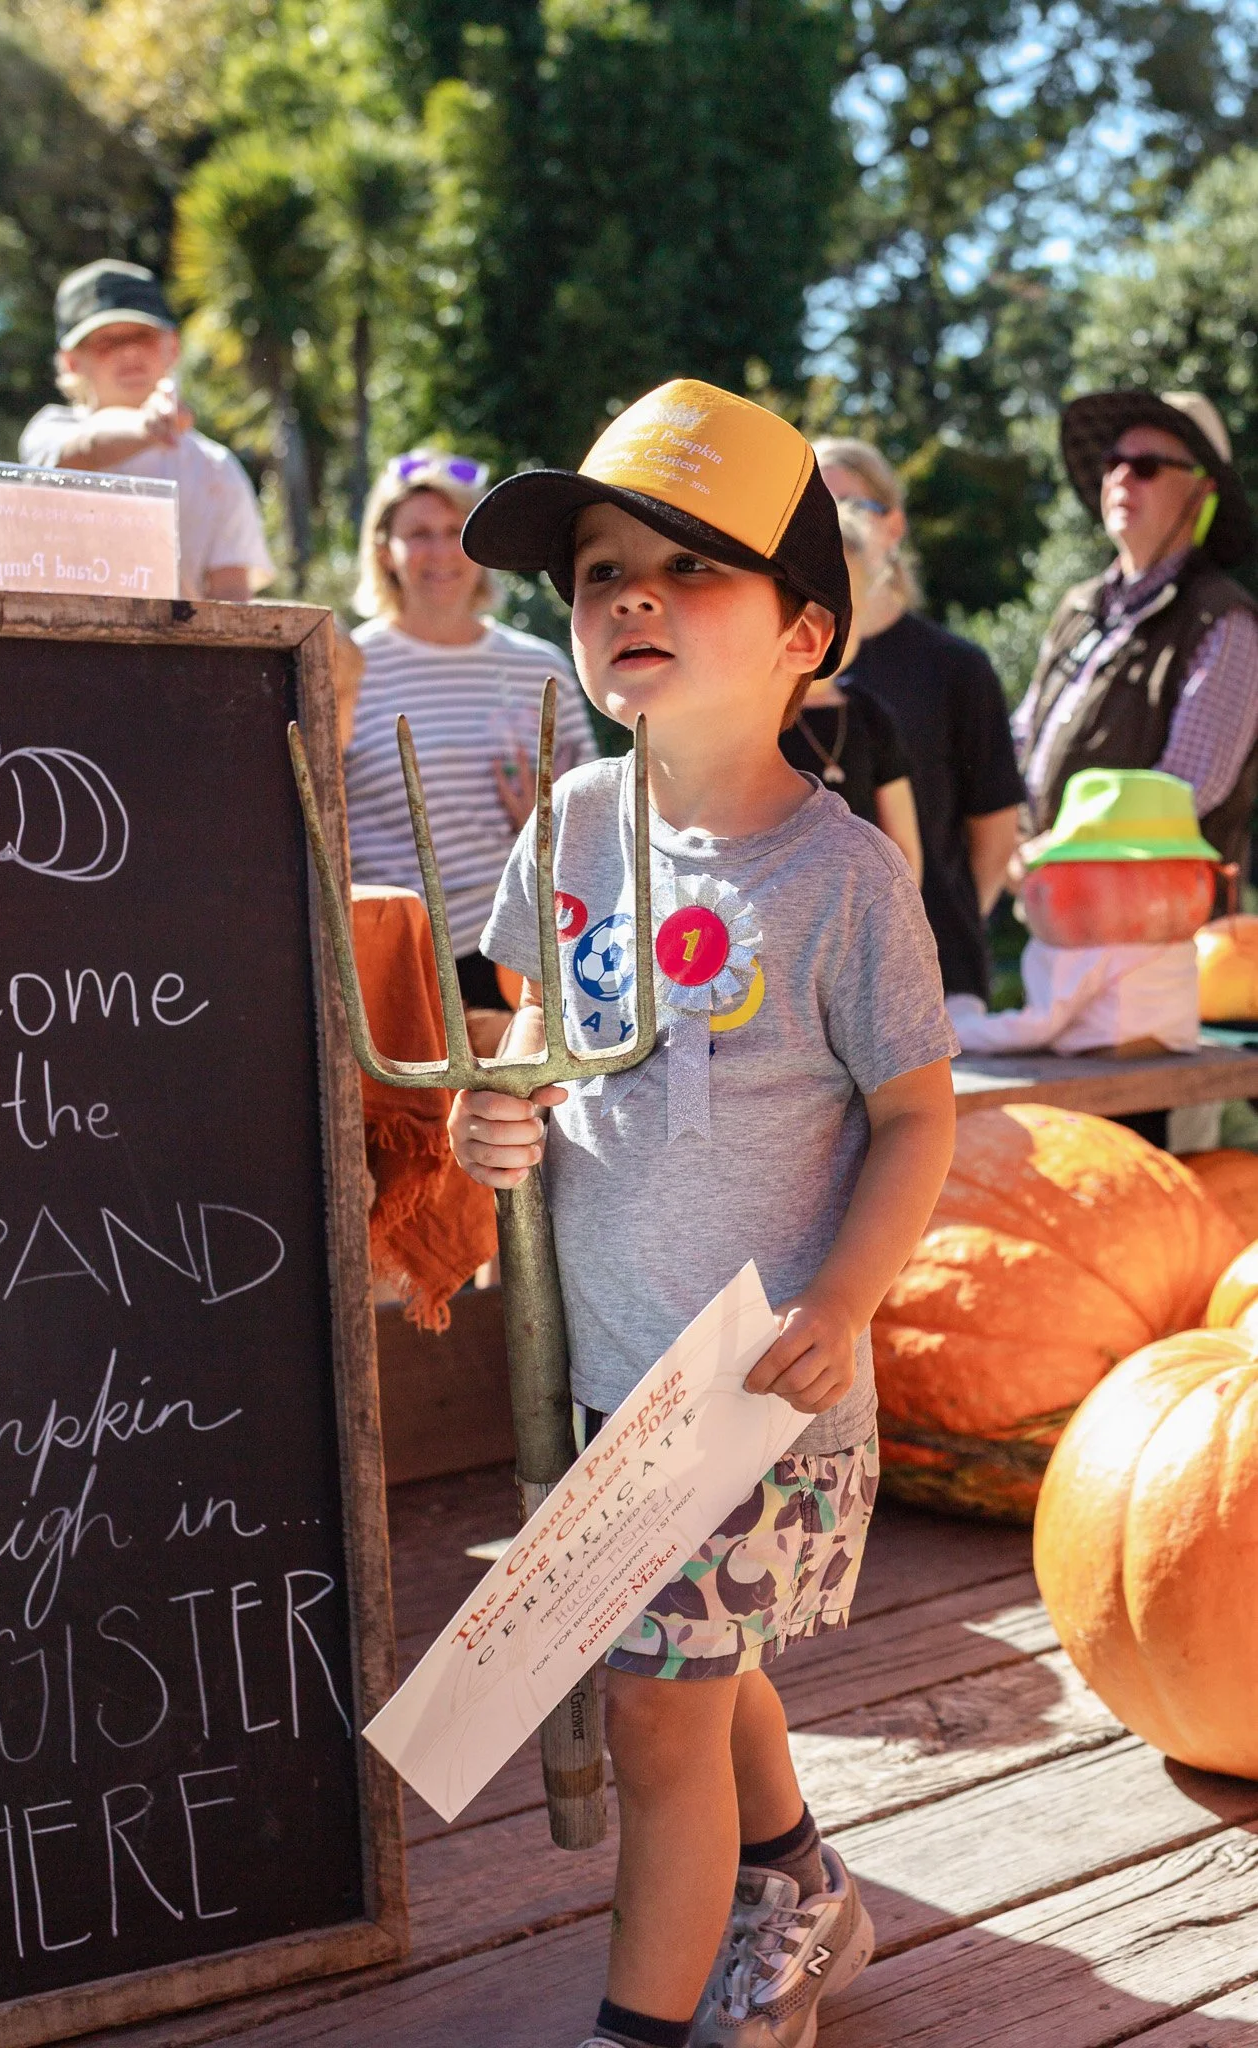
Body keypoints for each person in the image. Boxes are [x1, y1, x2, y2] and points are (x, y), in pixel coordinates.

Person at [448, 380, 957, 2048]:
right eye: (600, 569)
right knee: (703, 1659)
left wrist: (849, 1301)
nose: (632, 596)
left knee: (659, 1724)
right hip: (615, 1369)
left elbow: (916, 1114)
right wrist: (498, 1104)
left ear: (808, 630)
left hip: (763, 1384)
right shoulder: (578, 824)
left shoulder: (842, 884)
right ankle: (805, 1891)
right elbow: (536, 1027)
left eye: (690, 567)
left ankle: (641, 2027)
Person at [344, 449, 596, 1020]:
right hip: (394, 962)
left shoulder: (541, 667)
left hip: (526, 956)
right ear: (384, 550)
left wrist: (547, 817)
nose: (440, 551)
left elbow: (594, 823)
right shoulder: (348, 667)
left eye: (456, 531)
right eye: (420, 533)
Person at [814, 437, 1024, 1000]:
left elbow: (995, 829)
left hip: (938, 970)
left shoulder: (957, 667)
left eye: (854, 504)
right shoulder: (776, 666)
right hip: (817, 973)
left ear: (894, 527)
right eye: (813, 505)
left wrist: (941, 929)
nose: (831, 522)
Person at [1014, 389, 1258, 871]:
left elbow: (1185, 788)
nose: (1122, 475)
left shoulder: (1226, 620)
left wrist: (1053, 847)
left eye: (1146, 466)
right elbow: (1022, 736)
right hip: (1054, 914)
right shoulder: (1078, 606)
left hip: (1163, 931)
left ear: (1201, 491)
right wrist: (1012, 834)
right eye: (1113, 462)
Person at [19, 260, 275, 602]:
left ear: (173, 347)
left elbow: (232, 597)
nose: (129, 351)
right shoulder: (48, 433)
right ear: (71, 361)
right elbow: (81, 451)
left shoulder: (216, 468)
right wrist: (145, 427)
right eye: (105, 341)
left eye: (143, 335)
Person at [780, 502, 922, 880]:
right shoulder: (752, 717)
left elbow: (904, 851)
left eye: (846, 608)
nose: (824, 627)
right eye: (807, 607)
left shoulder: (871, 717)